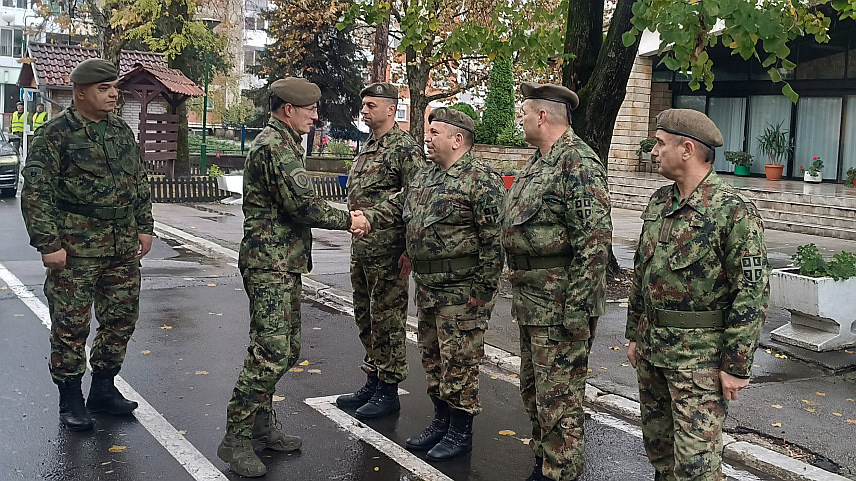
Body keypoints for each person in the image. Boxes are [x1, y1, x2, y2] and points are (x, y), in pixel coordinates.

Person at [217, 77, 370, 478]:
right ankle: (236, 437)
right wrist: (349, 220)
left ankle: (263, 426)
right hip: (269, 264)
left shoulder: (285, 143)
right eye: (310, 110)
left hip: (283, 264)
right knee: (268, 354)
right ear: (289, 110)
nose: (316, 117)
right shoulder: (274, 147)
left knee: (286, 349)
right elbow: (302, 206)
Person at [625, 109, 770, 481]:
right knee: (661, 453)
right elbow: (643, 273)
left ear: (687, 148)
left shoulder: (733, 212)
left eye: (660, 143)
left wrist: (736, 366)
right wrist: (634, 333)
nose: (653, 151)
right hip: (654, 349)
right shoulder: (659, 202)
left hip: (700, 361)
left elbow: (751, 293)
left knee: (697, 466)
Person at [363, 107, 505, 461]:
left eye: (435, 132)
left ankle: (460, 432)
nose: (427, 138)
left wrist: (483, 291)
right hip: (428, 289)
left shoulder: (480, 180)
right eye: (428, 131)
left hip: (462, 292)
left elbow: (494, 240)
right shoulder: (426, 176)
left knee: (459, 364)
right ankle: (441, 422)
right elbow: (398, 209)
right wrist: (363, 217)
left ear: (457, 139)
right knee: (432, 358)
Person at [20, 58, 154, 432]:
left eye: (115, 89)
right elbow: (36, 193)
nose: (114, 95)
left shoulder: (121, 132)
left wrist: (145, 227)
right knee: (70, 326)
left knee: (121, 319)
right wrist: (48, 243)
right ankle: (70, 399)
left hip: (121, 246)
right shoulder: (55, 135)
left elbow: (139, 182)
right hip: (75, 249)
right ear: (80, 92)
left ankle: (103, 390)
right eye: (104, 89)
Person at [502, 82, 612, 481]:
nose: (521, 118)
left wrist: (577, 313)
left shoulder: (577, 162)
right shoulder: (538, 162)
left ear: (543, 116)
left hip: (561, 305)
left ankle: (561, 471)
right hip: (533, 301)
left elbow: (594, 243)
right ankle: (544, 462)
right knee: (534, 391)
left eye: (525, 112)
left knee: (559, 398)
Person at [336, 82, 425, 419]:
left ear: (391, 109)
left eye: (371, 105)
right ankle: (373, 379)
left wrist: (408, 250)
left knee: (387, 319)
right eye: (364, 105)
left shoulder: (405, 148)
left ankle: (388, 389)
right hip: (362, 248)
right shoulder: (368, 146)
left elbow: (414, 197)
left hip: (389, 250)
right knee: (365, 315)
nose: (364, 110)